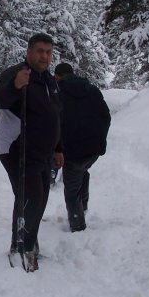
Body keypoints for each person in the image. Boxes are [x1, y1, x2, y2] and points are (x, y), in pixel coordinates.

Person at [0, 33, 64, 270]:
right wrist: (15, 86)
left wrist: (59, 148)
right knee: (30, 199)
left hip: (43, 152)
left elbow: (55, 117)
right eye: (40, 51)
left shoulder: (49, 80)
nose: (45, 56)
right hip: (17, 149)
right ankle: (20, 248)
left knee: (39, 200)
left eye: (48, 52)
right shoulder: (16, 74)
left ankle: (29, 242)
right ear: (29, 52)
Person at [54, 62, 110, 232]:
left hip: (71, 151)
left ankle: (78, 227)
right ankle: (83, 206)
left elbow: (55, 124)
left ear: (57, 76)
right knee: (82, 171)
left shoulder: (58, 94)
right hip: (93, 150)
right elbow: (105, 117)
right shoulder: (92, 90)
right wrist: (100, 141)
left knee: (72, 189)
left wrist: (57, 148)